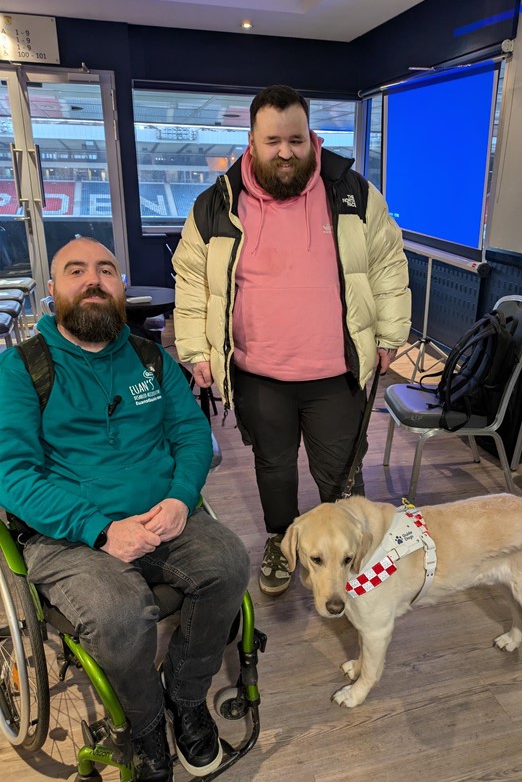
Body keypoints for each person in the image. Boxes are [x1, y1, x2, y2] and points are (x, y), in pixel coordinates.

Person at [0, 238, 250, 781]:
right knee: (119, 612)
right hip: (69, 533)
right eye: (76, 270)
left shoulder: (151, 358)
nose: (93, 280)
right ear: (51, 291)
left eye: (106, 270)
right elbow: (11, 474)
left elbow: (191, 434)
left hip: (164, 515)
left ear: (121, 288)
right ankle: (143, 723)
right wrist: (99, 529)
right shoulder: (20, 370)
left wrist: (182, 499)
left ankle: (185, 700)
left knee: (229, 563)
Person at [173, 84, 411, 597]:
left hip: (337, 374)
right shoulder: (216, 203)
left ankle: (362, 564)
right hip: (259, 375)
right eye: (274, 140)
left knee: (343, 478)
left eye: (296, 140)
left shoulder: (353, 193)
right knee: (274, 471)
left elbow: (389, 265)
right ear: (252, 142)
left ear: (313, 139)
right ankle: (282, 545)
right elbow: (192, 283)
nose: (286, 152)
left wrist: (392, 334)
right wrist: (195, 350)